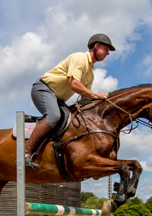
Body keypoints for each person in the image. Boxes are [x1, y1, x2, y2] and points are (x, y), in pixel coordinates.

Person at [24, 33, 115, 169]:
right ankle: (26, 153)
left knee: (72, 121)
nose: (108, 53)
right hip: (44, 89)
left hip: (58, 99)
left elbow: (85, 98)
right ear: (96, 46)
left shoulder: (90, 74)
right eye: (106, 49)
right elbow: (74, 84)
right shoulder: (79, 58)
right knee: (54, 116)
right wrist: (96, 95)